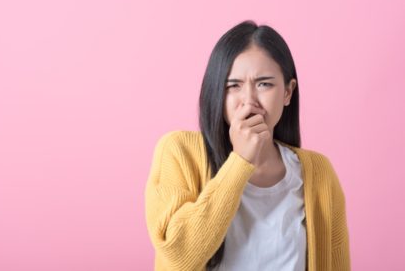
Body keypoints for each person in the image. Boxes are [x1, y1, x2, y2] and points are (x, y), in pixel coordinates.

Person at [144, 20, 351, 271]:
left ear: (287, 92)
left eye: (264, 84)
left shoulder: (318, 174)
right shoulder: (178, 151)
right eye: (233, 86)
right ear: (217, 93)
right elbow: (179, 256)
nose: (249, 101)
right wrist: (240, 161)